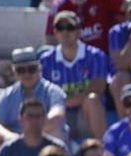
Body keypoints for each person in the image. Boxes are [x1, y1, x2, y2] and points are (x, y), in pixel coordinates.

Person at [42, 11, 113, 143]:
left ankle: (103, 151)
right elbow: (42, 92)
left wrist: (66, 102)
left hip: (85, 115)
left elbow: (98, 87)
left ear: (79, 31)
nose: (65, 32)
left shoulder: (96, 56)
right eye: (60, 28)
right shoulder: (45, 61)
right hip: (59, 116)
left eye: (70, 27)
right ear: (55, 33)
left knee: (92, 99)